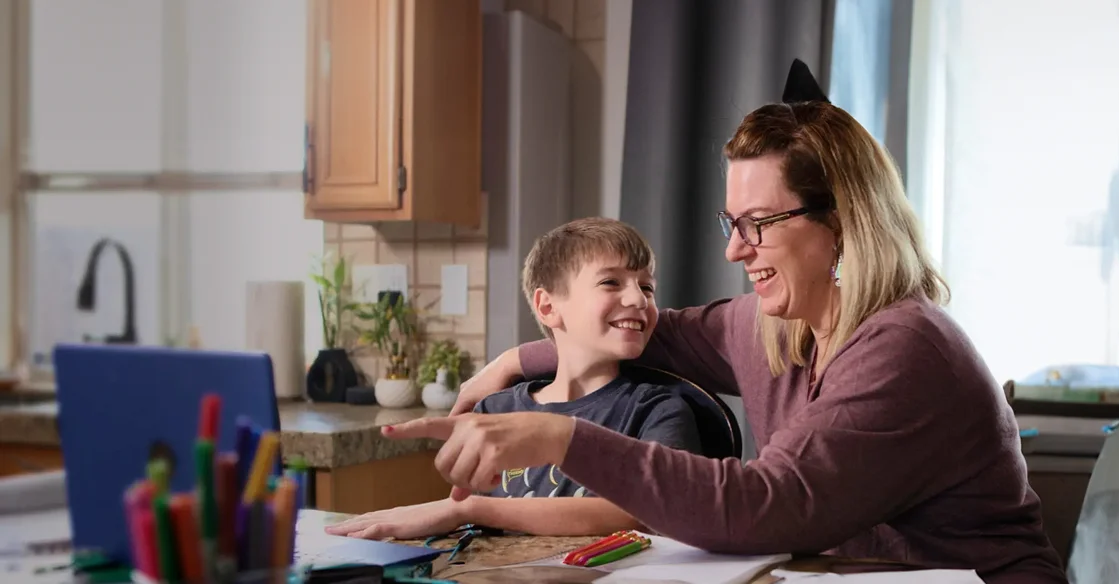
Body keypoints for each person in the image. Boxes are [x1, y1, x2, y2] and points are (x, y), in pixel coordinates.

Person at [376, 75, 1069, 582]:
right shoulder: (781, 324)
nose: (734, 250)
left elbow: (766, 505)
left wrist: (560, 435)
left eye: (758, 225)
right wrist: (514, 360)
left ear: (842, 223)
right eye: (730, 224)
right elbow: (647, 328)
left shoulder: (903, 348)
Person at [326, 217, 705, 540]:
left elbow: (644, 510)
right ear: (548, 306)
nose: (639, 299)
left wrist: (471, 510)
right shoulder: (496, 409)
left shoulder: (657, 410)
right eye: (611, 282)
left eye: (647, 286)